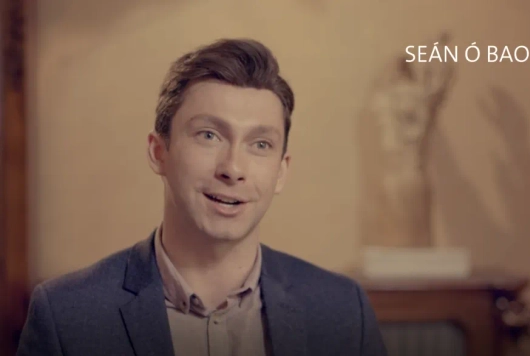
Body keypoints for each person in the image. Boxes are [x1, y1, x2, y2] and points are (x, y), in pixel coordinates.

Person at [16, 38, 388, 356]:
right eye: (209, 135)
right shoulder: (67, 316)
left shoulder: (342, 312)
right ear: (159, 152)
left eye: (260, 144)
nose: (233, 168)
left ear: (281, 171)